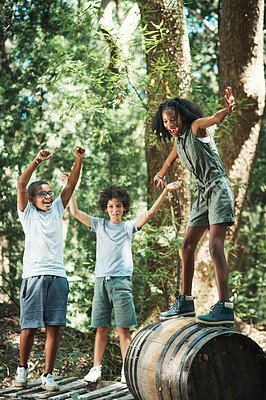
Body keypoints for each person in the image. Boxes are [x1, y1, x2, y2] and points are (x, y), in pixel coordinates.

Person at [60, 173, 180, 383]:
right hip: (101, 283)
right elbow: (75, 211)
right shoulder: (99, 225)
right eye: (111, 206)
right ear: (105, 209)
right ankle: (96, 368)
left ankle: (127, 371)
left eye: (118, 206)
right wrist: (70, 185)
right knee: (101, 328)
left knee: (123, 329)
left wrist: (166, 191)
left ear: (124, 208)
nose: (115, 210)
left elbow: (150, 213)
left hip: (122, 283)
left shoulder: (128, 227)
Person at [152, 86, 236, 327]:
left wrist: (227, 110)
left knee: (214, 246)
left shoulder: (197, 126)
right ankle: (186, 301)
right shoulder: (178, 141)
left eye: (172, 119)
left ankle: (224, 306)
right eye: (165, 121)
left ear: (183, 115)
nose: (169, 124)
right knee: (187, 245)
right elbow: (170, 159)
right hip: (202, 192)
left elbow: (214, 118)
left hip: (218, 187)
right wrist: (161, 174)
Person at [15, 146, 85, 391]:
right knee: (29, 327)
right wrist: (36, 161)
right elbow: (22, 184)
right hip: (33, 276)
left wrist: (79, 158)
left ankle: (47, 375)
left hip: (58, 276)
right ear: (33, 199)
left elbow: (72, 184)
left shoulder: (56, 208)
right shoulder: (27, 214)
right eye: (41, 194)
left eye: (49, 193)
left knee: (54, 327)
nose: (47, 197)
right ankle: (22, 369)